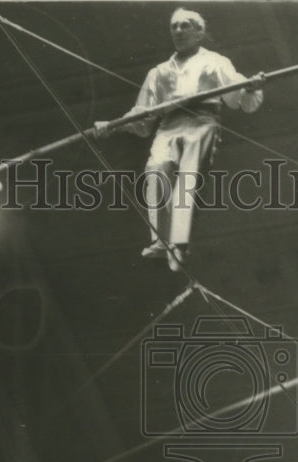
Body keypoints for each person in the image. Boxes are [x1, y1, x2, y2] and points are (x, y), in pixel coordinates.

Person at [94, 8, 265, 271]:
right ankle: (162, 240)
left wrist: (251, 86)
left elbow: (237, 94)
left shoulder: (215, 61)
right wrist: (112, 126)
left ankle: (179, 243)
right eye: (174, 27)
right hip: (169, 123)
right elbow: (142, 114)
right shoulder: (159, 72)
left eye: (185, 26)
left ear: (199, 32)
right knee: (157, 169)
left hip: (203, 120)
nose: (178, 31)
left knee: (189, 174)